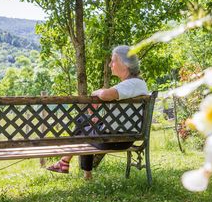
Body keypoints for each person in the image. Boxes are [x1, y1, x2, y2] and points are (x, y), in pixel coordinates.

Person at [47, 45, 149, 179]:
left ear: (125, 65)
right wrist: (94, 118)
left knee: (81, 128)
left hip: (114, 139)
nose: (110, 64)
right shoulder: (137, 84)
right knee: (83, 122)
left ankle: (70, 165)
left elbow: (106, 95)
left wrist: (96, 92)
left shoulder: (131, 84)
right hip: (126, 136)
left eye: (113, 61)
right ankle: (69, 164)